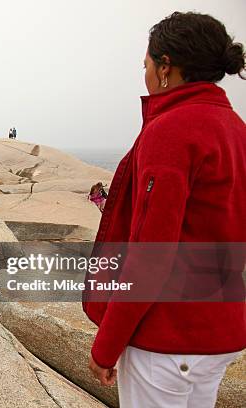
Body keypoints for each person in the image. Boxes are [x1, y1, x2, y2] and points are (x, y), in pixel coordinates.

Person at [82, 12, 245, 408]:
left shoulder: (172, 130)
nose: (147, 74)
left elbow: (150, 256)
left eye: (147, 65)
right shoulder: (236, 128)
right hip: (218, 332)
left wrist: (107, 346)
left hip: (167, 338)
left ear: (166, 66)